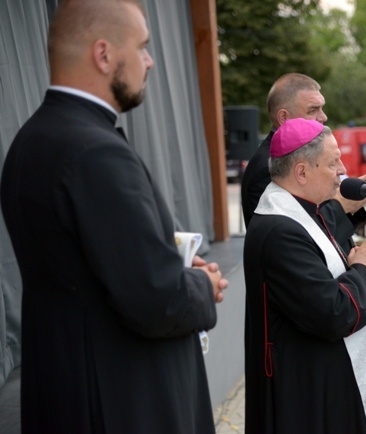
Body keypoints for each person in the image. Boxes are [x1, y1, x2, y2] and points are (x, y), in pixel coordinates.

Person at [0, 1, 228, 432]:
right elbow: (157, 301)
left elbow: (90, 269)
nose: (151, 61)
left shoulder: (31, 140)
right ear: (104, 55)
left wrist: (167, 262)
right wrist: (202, 283)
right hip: (122, 402)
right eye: (142, 47)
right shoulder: (95, 151)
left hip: (66, 390)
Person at [244, 118, 366, 434]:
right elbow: (332, 311)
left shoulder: (300, 210)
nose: (343, 170)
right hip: (307, 391)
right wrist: (365, 268)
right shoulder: (280, 230)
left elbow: (322, 239)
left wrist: (343, 210)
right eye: (333, 162)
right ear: (301, 172)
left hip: (323, 380)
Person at [240, 72, 366, 252]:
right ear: (284, 118)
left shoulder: (299, 155)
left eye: (322, 108)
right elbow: (289, 238)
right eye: (313, 110)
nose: (323, 116)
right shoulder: (268, 167)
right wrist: (341, 206)